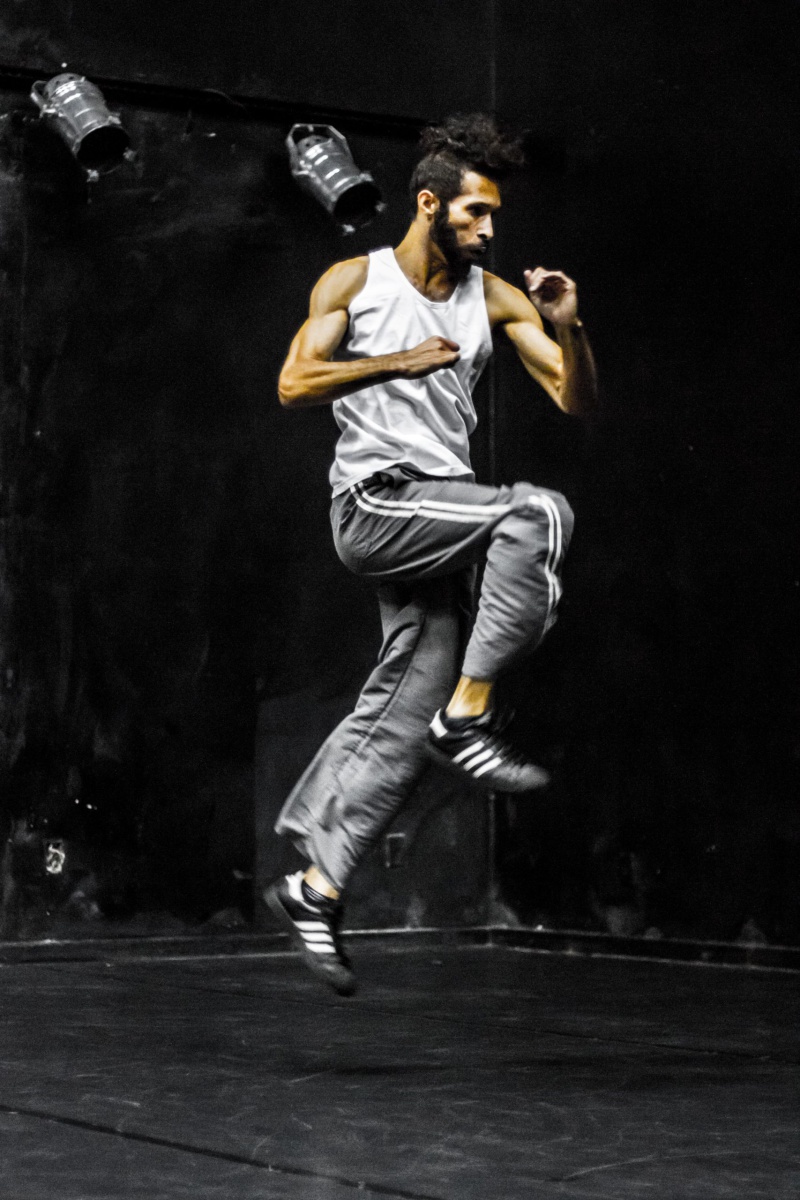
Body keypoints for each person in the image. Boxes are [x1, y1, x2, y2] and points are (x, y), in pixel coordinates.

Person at [265, 113, 598, 995]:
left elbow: (573, 399)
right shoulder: (356, 281)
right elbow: (294, 383)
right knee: (537, 514)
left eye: (494, 215)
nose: (489, 229)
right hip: (376, 504)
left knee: (402, 718)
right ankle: (470, 714)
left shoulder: (494, 298)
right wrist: (395, 363)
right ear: (428, 204)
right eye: (475, 212)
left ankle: (315, 885)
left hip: (438, 520)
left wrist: (570, 327)